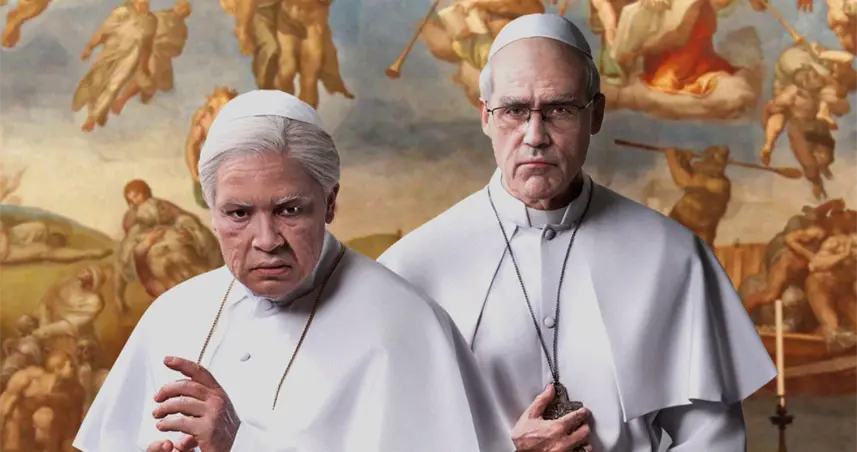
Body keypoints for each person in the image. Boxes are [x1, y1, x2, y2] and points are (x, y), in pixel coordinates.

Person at [379, 13, 777, 452]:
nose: (535, 136)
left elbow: (714, 441)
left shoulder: (674, 255)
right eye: (514, 111)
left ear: (596, 115)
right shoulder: (410, 269)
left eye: (560, 110)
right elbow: (385, 438)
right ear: (485, 117)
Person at [73, 90, 509, 451]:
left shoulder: (406, 325)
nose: (266, 240)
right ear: (212, 213)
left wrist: (239, 443)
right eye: (239, 214)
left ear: (330, 203)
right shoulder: (174, 313)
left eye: (289, 210)